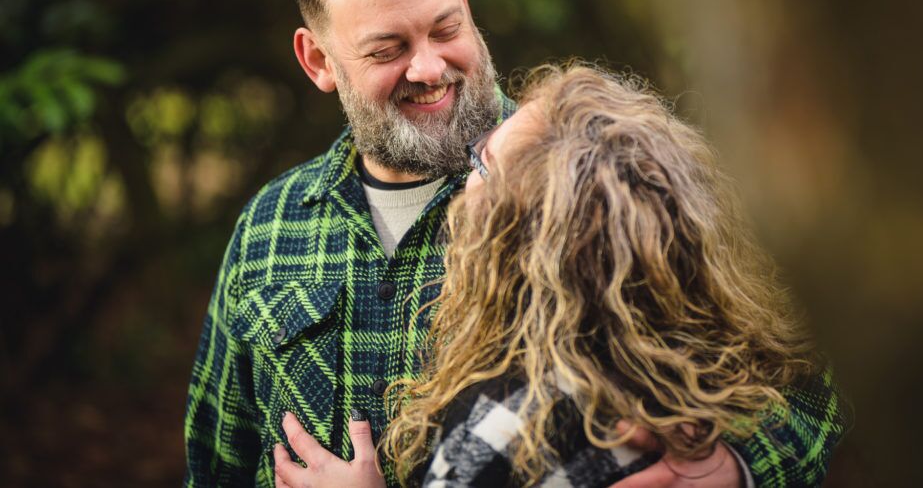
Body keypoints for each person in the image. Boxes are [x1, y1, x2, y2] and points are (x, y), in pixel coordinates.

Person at [183, 0, 845, 487]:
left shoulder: (599, 177)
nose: (430, 67)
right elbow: (219, 461)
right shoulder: (270, 227)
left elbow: (811, 377)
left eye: (444, 28)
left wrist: (736, 469)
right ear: (319, 62)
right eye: (388, 50)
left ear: (466, 3)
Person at [270, 65, 844, 488]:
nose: (425, 67)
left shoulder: (501, 433)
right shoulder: (715, 363)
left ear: (515, 243)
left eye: (482, 162)